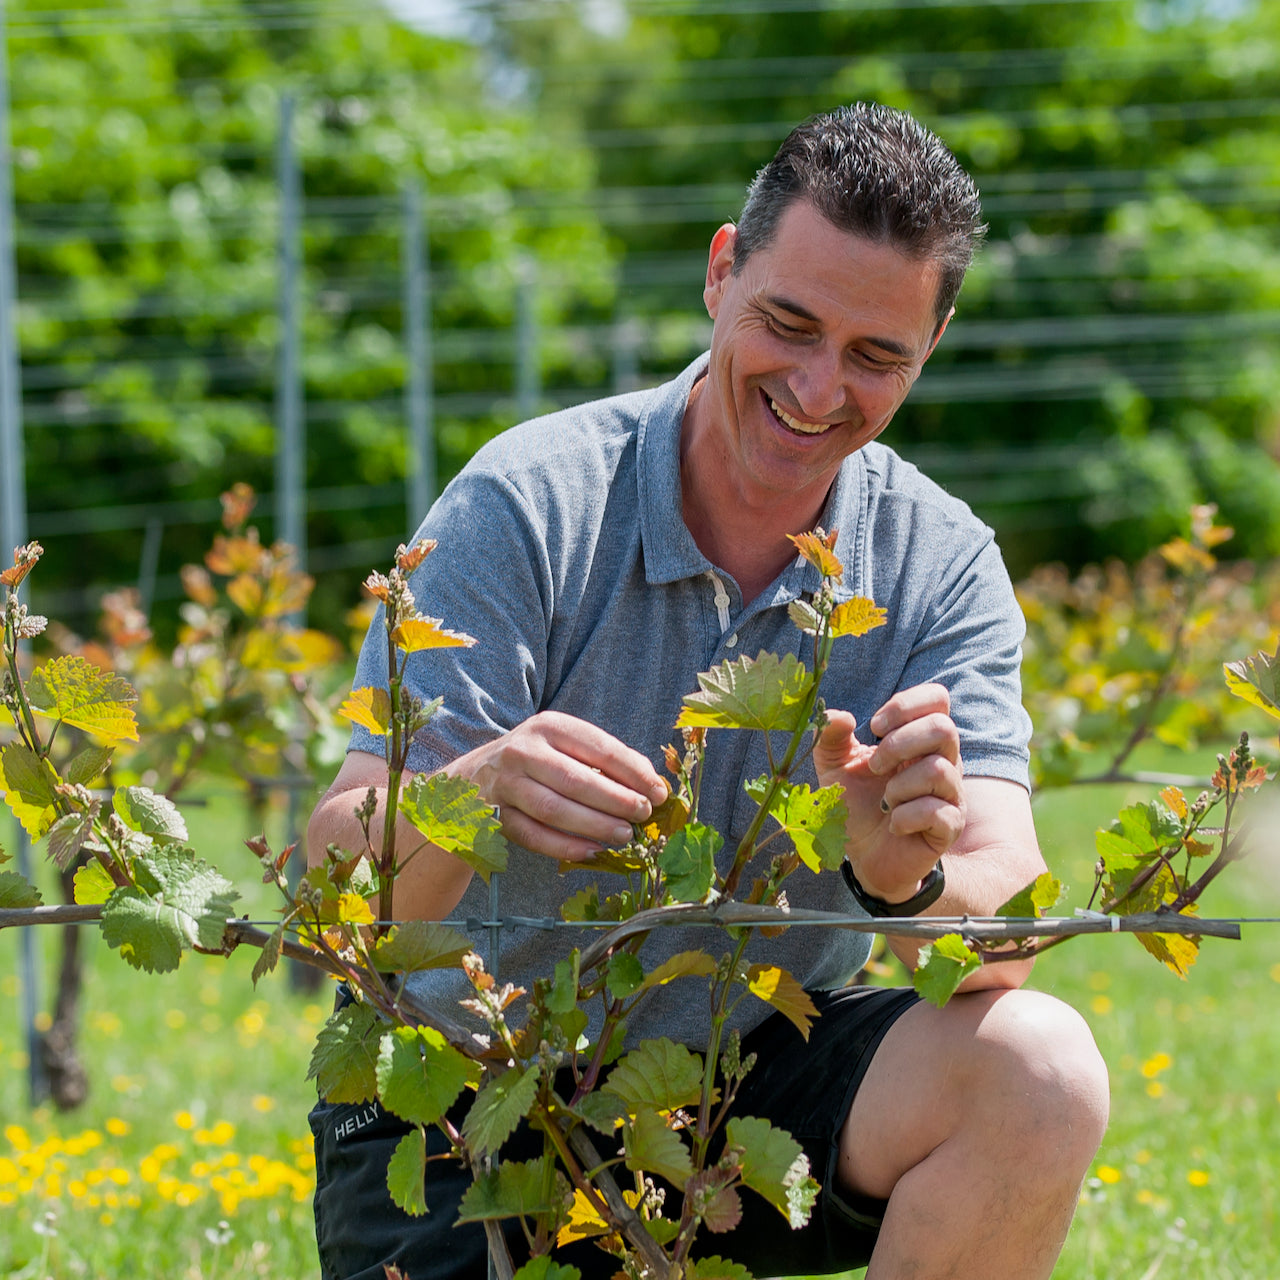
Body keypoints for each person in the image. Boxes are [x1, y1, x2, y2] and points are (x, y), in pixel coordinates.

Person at [307, 102, 1109, 1280]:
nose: (817, 389)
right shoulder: (527, 504)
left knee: (1035, 1069)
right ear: (720, 272)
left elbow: (1009, 931)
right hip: (463, 1098)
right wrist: (470, 788)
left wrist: (908, 879)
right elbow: (334, 890)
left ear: (929, 345)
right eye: (788, 324)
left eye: (875, 356)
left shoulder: (936, 563)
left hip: (738, 1095)